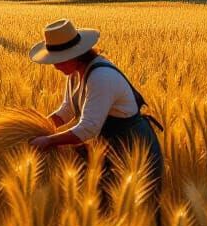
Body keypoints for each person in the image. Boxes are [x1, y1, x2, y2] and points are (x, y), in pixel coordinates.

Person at [27, 18, 164, 207]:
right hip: (108, 148)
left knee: (132, 212)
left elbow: (88, 129)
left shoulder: (100, 76)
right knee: (105, 210)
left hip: (133, 150)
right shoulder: (75, 74)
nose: (55, 66)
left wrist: (49, 140)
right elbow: (67, 109)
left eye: (58, 61)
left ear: (74, 55)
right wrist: (39, 126)